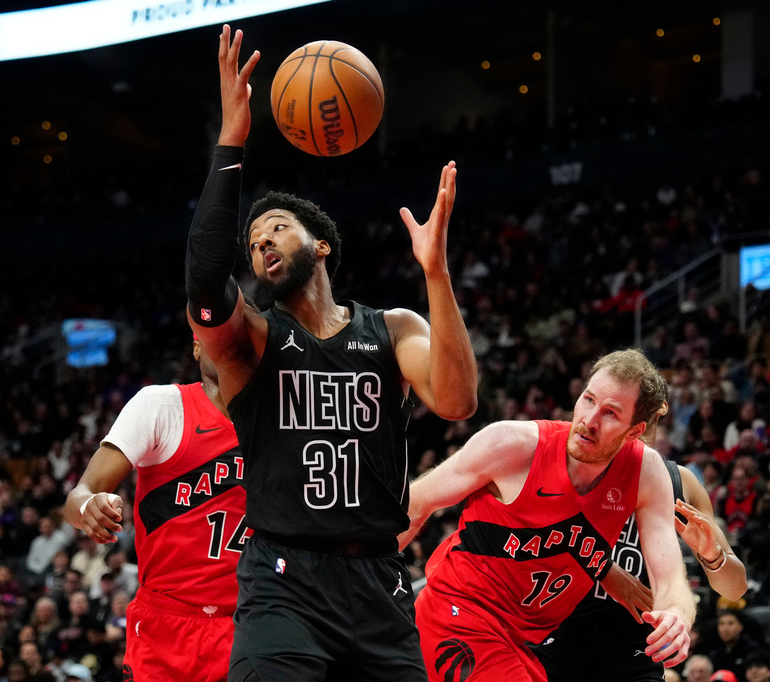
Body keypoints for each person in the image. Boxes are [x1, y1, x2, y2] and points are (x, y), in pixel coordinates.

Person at [185, 26, 478, 681]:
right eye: (254, 241)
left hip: (378, 579)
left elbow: (457, 401)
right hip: (283, 582)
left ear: (319, 245)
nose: (261, 244)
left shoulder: (393, 328)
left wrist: (437, 275)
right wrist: (232, 138)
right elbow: (205, 281)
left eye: (277, 229)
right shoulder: (253, 343)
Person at [401, 350, 695, 681]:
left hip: (525, 641)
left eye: (610, 413)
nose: (589, 420)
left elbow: (670, 576)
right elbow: (414, 504)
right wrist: (366, 584)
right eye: (588, 399)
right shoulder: (513, 445)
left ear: (634, 431)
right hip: (460, 611)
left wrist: (677, 615)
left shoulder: (646, 472)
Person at [64, 337, 246, 680]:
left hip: (250, 619)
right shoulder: (161, 405)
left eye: (238, 331)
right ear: (195, 345)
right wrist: (90, 505)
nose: (227, 340)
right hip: (166, 625)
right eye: (216, 330)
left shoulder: (281, 418)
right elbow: (77, 497)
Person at [534, 402, 747, 681]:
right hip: (558, 638)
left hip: (634, 650)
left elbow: (735, 589)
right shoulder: (577, 464)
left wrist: (712, 556)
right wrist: (605, 570)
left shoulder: (680, 481)